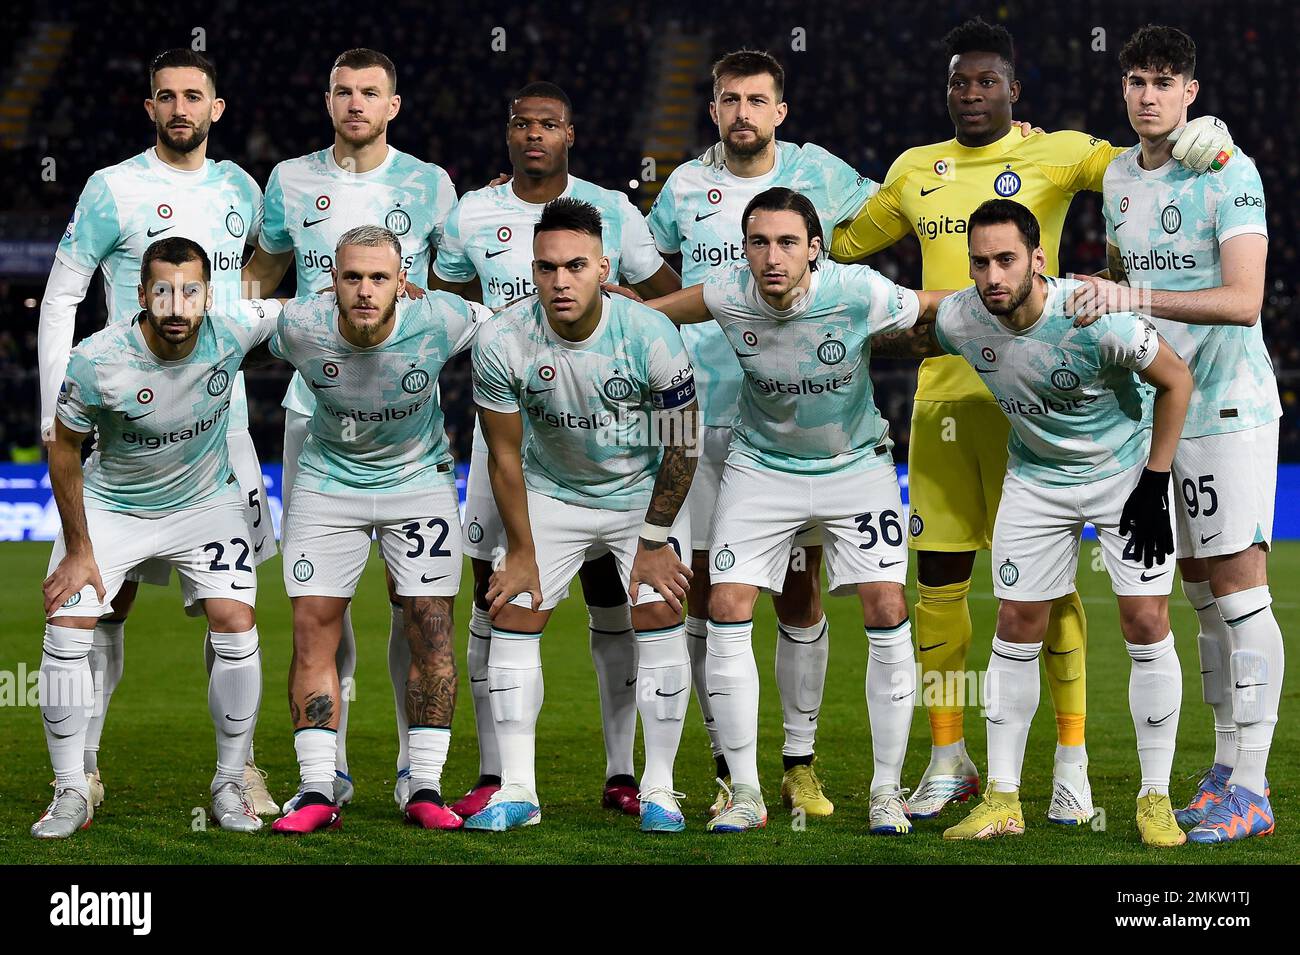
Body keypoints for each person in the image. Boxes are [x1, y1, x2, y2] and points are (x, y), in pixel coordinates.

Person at [831, 17, 1233, 823]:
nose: (970, 94)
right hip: (949, 395)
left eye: (986, 81)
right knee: (940, 584)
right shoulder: (913, 169)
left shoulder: (1060, 152)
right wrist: (799, 190)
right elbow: (838, 246)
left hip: (1064, 410)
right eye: (957, 81)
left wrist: (1205, 136)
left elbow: (1139, 166)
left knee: (1055, 603)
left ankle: (1073, 767)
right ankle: (952, 757)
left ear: (1017, 91)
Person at [874, 199, 1194, 846]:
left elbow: (1177, 379)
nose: (992, 275)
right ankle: (1003, 799)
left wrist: (1156, 482)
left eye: (1006, 260)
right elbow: (901, 325)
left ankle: (1154, 796)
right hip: (1036, 481)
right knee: (1016, 624)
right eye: (980, 262)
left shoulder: (1093, 316)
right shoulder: (965, 315)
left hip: (1123, 476)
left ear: (1037, 259)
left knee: (1145, 620)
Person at [637, 187, 949, 834]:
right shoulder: (728, 293)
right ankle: (746, 788)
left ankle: (885, 789)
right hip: (761, 468)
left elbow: (937, 305)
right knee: (727, 605)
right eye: (759, 242)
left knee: (886, 607)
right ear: (744, 249)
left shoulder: (858, 289)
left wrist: (1036, 292)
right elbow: (659, 312)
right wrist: (608, 304)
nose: (772, 256)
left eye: (786, 242)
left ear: (814, 248)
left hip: (855, 464)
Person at [430, 82, 680, 819]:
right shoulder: (472, 212)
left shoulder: (611, 208)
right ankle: (497, 774)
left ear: (570, 133)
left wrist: (631, 330)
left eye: (548, 124)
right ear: (506, 133)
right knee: (500, 595)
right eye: (521, 123)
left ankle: (624, 770)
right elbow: (449, 312)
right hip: (510, 432)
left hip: (614, 447)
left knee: (618, 602)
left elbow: (667, 294)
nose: (533, 134)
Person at [36, 47, 276, 815]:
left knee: (233, 603)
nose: (180, 108)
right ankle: (84, 765)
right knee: (103, 599)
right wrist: (56, 412)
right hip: (124, 423)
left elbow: (252, 288)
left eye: (193, 96)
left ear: (217, 108)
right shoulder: (113, 188)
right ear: (150, 109)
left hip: (222, 429)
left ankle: (239, 768)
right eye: (166, 96)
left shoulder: (244, 186)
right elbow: (61, 296)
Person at [1068, 24, 1281, 843]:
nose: (1148, 94)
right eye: (1135, 80)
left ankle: (1254, 785)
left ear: (1192, 91)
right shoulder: (1119, 175)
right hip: (1161, 407)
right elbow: (1131, 280)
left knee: (1239, 588)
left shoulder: (1229, 172)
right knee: (1197, 593)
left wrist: (1135, 303)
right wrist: (1113, 301)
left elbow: (1243, 300)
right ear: (1122, 88)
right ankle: (1226, 767)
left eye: (1164, 81)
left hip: (1228, 404)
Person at [242, 48, 458, 813]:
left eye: (371, 92)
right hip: (317, 413)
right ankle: (323, 768)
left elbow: (456, 288)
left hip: (408, 423)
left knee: (420, 603)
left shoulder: (432, 183)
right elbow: (261, 274)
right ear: (327, 99)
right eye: (343, 91)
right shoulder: (289, 181)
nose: (356, 102)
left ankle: (416, 767)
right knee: (317, 604)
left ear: (393, 104)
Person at [467, 198, 698, 832]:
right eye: (545, 268)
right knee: (511, 609)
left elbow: (681, 445)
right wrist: (520, 550)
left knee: (658, 608)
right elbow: (504, 456)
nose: (559, 282)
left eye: (574, 266)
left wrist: (654, 541)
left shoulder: (651, 334)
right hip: (551, 493)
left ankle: (659, 789)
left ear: (603, 267)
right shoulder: (501, 339)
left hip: (637, 496)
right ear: (532, 270)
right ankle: (518, 791)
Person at [266, 226, 491, 834]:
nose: (365, 291)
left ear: (404, 282)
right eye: (352, 277)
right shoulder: (298, 327)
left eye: (379, 278)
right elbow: (216, 323)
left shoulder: (442, 318)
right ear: (331, 281)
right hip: (326, 483)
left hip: (417, 482)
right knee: (313, 627)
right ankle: (316, 788)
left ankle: (422, 784)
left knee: (431, 628)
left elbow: (518, 318)